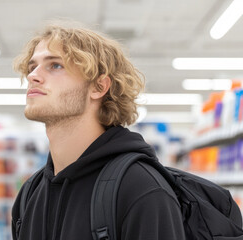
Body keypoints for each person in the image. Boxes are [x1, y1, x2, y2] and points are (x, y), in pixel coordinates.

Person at [11, 22, 185, 240]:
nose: (32, 76)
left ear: (99, 87)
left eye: (55, 65)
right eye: (32, 67)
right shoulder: (30, 193)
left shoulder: (141, 189)